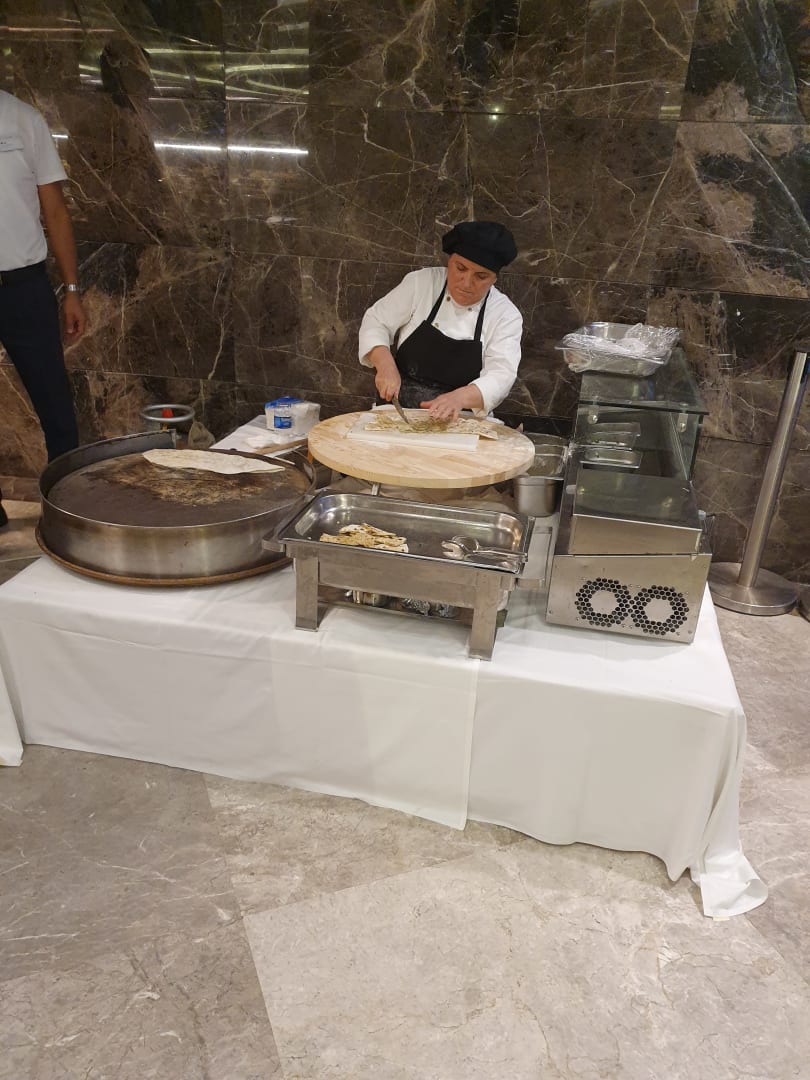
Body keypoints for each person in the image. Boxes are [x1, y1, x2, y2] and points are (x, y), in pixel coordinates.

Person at [0, 90, 86, 527]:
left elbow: (55, 211)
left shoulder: (23, 119)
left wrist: (72, 289)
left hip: (23, 287)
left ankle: (67, 510)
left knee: (54, 403)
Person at [359, 220, 522, 422]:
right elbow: (376, 321)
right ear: (449, 261)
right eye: (460, 268)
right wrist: (385, 365)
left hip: (462, 418)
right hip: (398, 411)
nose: (466, 283)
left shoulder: (505, 315)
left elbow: (501, 374)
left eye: (481, 276)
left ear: (494, 279)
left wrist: (460, 397)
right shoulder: (421, 283)